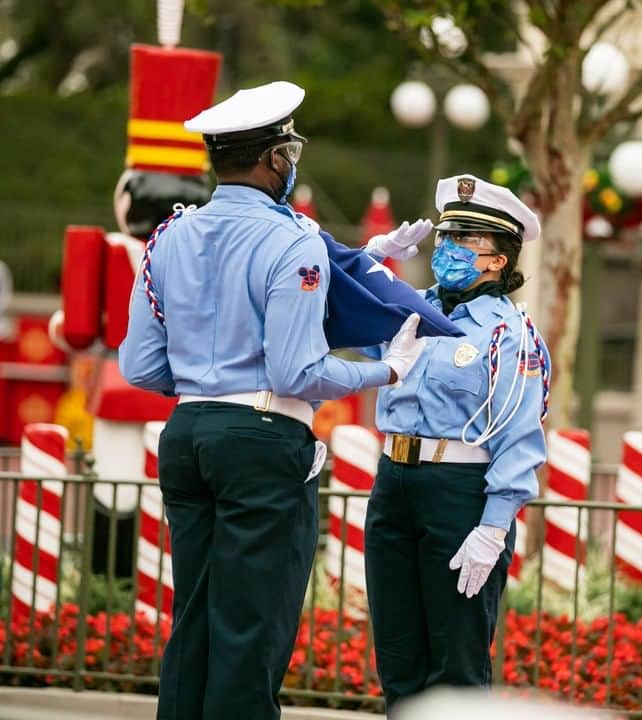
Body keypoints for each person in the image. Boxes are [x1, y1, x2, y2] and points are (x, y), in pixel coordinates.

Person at [118, 80, 430, 720]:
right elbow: (296, 371)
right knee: (251, 630)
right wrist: (386, 374)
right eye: (291, 152)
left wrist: (206, 382)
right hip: (261, 438)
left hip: (188, 434)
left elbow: (140, 365)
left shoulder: (169, 237)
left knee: (197, 621)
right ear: (276, 160)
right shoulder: (294, 240)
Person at [364, 174, 550, 717]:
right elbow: (324, 310)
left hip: (458, 491)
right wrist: (369, 258)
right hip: (393, 481)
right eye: (445, 238)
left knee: (457, 663)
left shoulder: (508, 334)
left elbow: (520, 435)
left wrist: (493, 526)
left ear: (498, 260)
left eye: (465, 242)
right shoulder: (408, 309)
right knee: (397, 656)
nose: (446, 250)